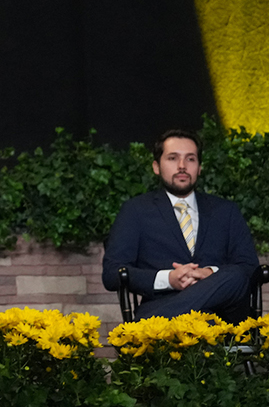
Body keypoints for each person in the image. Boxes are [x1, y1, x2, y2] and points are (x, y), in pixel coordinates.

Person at [101, 129, 258, 322]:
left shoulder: (226, 211)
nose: (182, 166)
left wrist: (209, 274)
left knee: (236, 274)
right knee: (213, 305)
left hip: (221, 314)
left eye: (190, 159)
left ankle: (153, 322)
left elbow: (250, 268)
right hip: (163, 302)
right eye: (173, 158)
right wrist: (169, 279)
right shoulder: (136, 211)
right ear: (156, 166)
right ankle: (164, 318)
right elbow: (111, 274)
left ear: (200, 167)